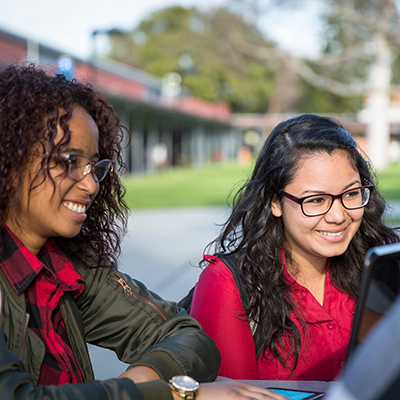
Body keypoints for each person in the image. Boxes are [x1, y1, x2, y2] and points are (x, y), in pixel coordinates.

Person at [0, 64, 285, 400]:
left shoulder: (69, 268)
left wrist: (141, 381)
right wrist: (174, 395)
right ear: (11, 158)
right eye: (69, 161)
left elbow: (188, 336)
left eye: (95, 166)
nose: (91, 183)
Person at [189, 114, 399, 381]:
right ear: (275, 202)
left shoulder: (381, 268)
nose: (338, 215)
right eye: (316, 200)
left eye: (351, 193)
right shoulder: (228, 285)